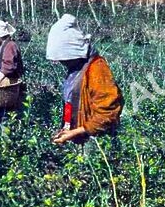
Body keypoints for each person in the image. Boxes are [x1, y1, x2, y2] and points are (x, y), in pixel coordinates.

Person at [45, 14, 123, 146]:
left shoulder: (97, 69)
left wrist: (75, 132)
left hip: (97, 142)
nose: (62, 62)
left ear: (73, 53)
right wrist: (67, 129)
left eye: (64, 59)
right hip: (79, 134)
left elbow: (107, 114)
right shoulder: (76, 68)